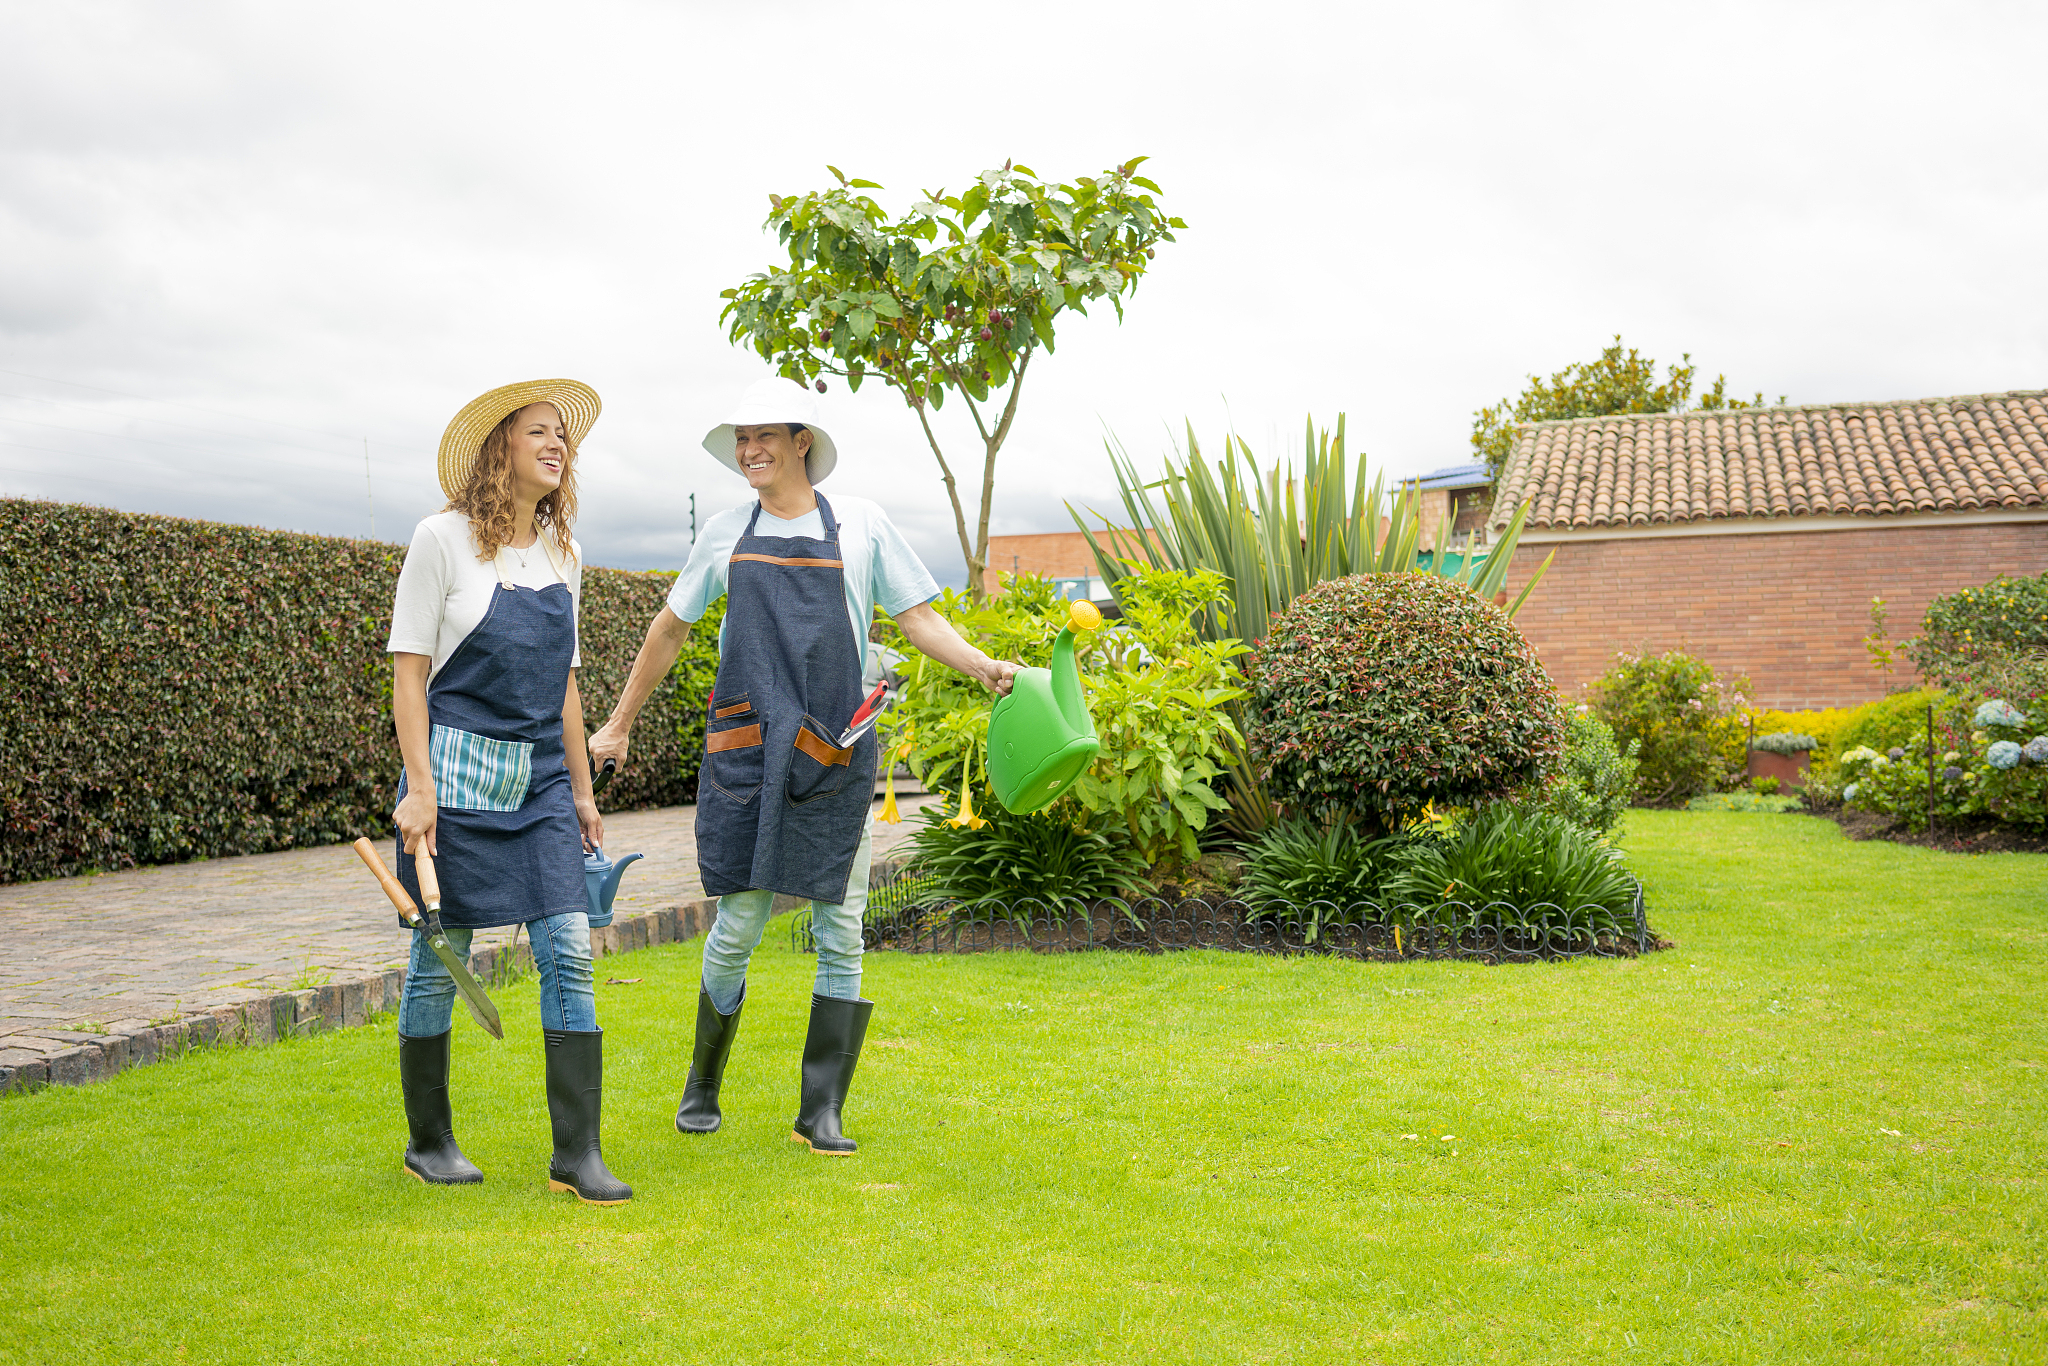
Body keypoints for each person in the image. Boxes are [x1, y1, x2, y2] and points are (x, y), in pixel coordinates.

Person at [588, 376, 1015, 1155]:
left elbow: (916, 617)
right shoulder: (724, 531)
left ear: (801, 444)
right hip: (749, 747)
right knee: (739, 924)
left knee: (841, 925)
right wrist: (617, 724)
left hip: (831, 747)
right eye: (741, 440)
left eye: (764, 438)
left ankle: (821, 1111)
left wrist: (981, 664)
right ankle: (702, 1083)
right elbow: (668, 629)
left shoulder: (863, 525)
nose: (749, 451)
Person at [385, 378, 631, 1205]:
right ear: (501, 449)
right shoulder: (441, 539)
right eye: (539, 432)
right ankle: (429, 1141)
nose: (557, 444)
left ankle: (577, 1153)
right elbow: (410, 674)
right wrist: (420, 788)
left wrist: (585, 793)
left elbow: (564, 689)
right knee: (435, 964)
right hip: (452, 786)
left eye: (564, 435)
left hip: (540, 790)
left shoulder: (566, 553)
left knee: (567, 944)